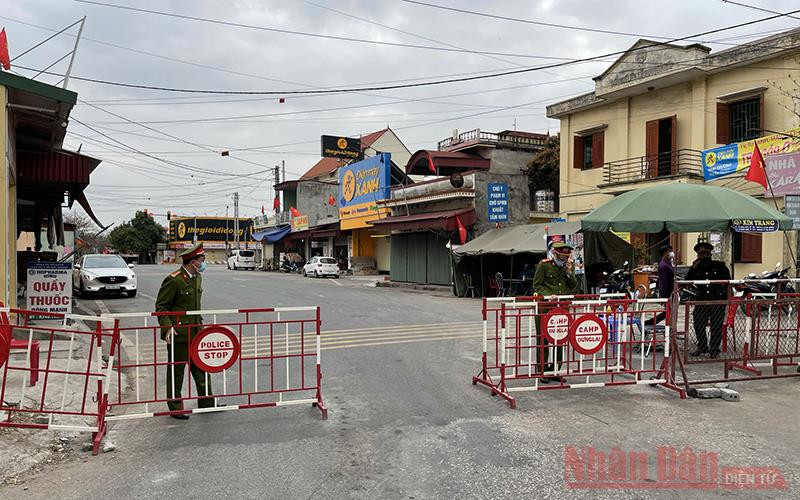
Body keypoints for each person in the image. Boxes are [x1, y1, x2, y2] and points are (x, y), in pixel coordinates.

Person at [155, 243, 214, 419]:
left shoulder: (197, 278)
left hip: (196, 332)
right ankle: (175, 407)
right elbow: (162, 307)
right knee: (176, 372)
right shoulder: (174, 280)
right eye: (202, 261)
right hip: (178, 334)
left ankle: (207, 403)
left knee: (202, 368)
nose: (204, 264)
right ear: (193, 262)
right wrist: (167, 328)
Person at [533, 242, 578, 382]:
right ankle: (542, 370)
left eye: (567, 256)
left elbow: (573, 286)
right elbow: (537, 285)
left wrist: (569, 272)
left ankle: (556, 370)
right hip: (545, 308)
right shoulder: (544, 265)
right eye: (562, 256)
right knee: (544, 339)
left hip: (561, 308)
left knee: (560, 339)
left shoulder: (569, 266)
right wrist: (548, 294)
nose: (564, 259)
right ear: (555, 254)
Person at [684, 241, 731, 358]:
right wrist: (692, 268)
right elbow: (686, 281)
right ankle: (703, 346)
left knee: (716, 326)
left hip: (717, 300)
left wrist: (727, 300)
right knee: (698, 323)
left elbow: (728, 283)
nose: (704, 256)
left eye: (706, 254)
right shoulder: (696, 267)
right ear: (698, 256)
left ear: (710, 254)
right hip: (701, 300)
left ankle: (714, 349)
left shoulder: (719, 266)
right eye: (701, 254)